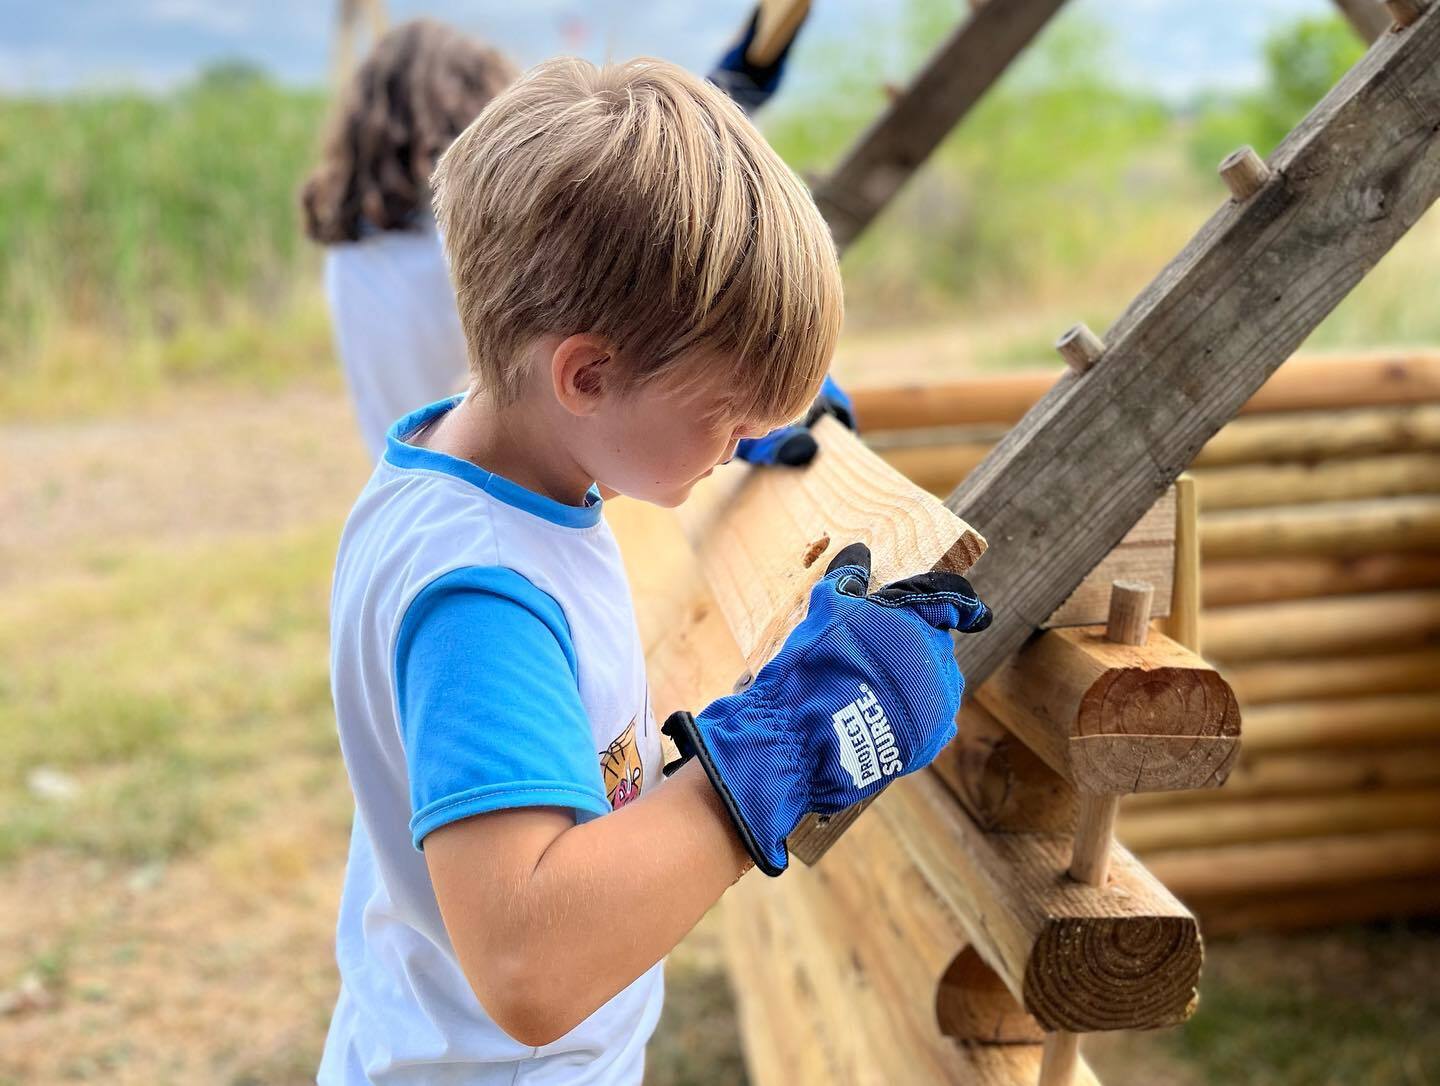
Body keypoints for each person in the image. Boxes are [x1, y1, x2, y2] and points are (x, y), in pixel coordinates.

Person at [319, 57, 991, 1084]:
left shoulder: (474, 471)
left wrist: (717, 409)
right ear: (585, 375)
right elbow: (529, 963)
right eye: (726, 411)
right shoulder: (483, 598)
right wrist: (781, 747)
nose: (742, 437)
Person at [303, 11, 816, 462]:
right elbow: (638, 194)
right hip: (507, 475)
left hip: (416, 471)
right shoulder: (461, 238)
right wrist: (746, 71)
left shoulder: (349, 254)